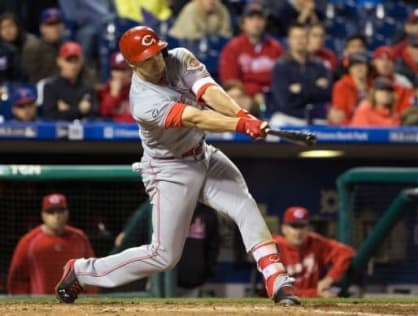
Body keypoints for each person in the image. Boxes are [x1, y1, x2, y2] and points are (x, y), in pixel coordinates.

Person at [54, 26, 300, 305]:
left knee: (244, 204)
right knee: (164, 255)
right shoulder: (143, 101)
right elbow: (195, 117)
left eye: (157, 52)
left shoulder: (179, 57)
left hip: (203, 154)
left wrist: (243, 114)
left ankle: (277, 279)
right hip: (169, 169)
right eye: (147, 58)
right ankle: (81, 272)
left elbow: (208, 91)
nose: (157, 60)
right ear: (133, 64)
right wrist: (240, 125)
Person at [111, 202, 220, 297]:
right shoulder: (161, 204)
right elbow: (129, 237)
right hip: (159, 281)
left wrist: (205, 272)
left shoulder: (207, 213)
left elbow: (212, 247)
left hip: (192, 283)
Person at [8, 193, 97, 295]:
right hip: (40, 306)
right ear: (43, 215)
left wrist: (89, 299)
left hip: (74, 305)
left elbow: (91, 273)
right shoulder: (28, 242)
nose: (57, 216)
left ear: (67, 213)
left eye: (61, 211)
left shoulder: (79, 238)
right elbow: (17, 278)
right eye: (51, 212)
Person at [274, 206, 355, 298]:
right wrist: (315, 293)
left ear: (308, 228)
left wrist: (329, 278)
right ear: (284, 229)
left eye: (302, 226)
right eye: (294, 226)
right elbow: (278, 290)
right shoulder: (274, 247)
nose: (298, 232)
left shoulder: (316, 243)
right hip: (281, 303)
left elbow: (347, 253)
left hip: (314, 300)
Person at [219, 2, 284, 109]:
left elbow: (282, 77)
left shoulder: (275, 47)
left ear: (265, 22)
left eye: (260, 18)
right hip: (245, 97)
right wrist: (254, 92)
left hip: (272, 97)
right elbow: (230, 82)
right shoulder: (233, 47)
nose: (256, 23)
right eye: (251, 18)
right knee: (235, 94)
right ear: (243, 23)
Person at [269, 22, 332, 126]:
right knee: (276, 124)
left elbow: (326, 95)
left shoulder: (319, 65)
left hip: (315, 119)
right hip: (287, 117)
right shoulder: (281, 66)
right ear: (289, 40)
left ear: (308, 39)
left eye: (302, 37)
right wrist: (313, 88)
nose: (299, 41)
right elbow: (284, 101)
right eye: (295, 37)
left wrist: (300, 89)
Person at [42, 41, 98, 121]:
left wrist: (68, 109)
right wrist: (79, 109)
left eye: (76, 61)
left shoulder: (88, 88)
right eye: (69, 61)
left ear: (81, 62)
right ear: (60, 61)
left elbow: (93, 115)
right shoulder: (50, 87)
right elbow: (51, 116)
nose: (73, 66)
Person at [22, 7, 65, 84]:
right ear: (42, 28)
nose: (55, 28)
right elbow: (29, 78)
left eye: (58, 23)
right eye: (50, 24)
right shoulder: (33, 48)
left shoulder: (67, 46)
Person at [328, 52, 370, 126]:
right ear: (350, 69)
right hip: (349, 127)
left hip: (370, 125)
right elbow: (340, 115)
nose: (359, 68)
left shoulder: (373, 85)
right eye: (355, 66)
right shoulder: (341, 86)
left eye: (362, 65)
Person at [98, 52, 134, 123]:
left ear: (130, 71)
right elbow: (104, 114)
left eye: (123, 70)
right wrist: (113, 95)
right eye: (116, 69)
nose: (119, 74)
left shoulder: (137, 89)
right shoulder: (105, 89)